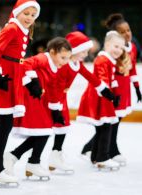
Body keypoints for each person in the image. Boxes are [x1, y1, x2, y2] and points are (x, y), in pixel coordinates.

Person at [0, 0, 42, 185]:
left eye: (32, 15)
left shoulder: (21, 30)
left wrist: (27, 82)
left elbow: (17, 61)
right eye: (26, 13)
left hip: (11, 78)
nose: (29, 17)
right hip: (5, 80)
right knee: (3, 125)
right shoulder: (13, 28)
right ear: (17, 12)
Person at [46, 31, 115, 174]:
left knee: (62, 127)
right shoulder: (65, 64)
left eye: (87, 51)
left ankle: (55, 155)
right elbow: (55, 83)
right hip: (53, 98)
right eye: (83, 51)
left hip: (61, 98)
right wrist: (55, 105)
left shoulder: (77, 63)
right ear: (74, 50)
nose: (86, 54)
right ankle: (45, 156)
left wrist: (103, 89)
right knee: (48, 128)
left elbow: (90, 76)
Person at [3, 37, 72, 180]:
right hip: (31, 99)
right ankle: (27, 160)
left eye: (67, 58)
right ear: (52, 52)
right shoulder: (43, 58)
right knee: (44, 131)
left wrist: (55, 109)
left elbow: (53, 89)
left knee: (44, 132)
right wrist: (32, 81)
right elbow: (25, 64)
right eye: (63, 57)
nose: (65, 62)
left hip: (40, 101)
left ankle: (20, 157)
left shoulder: (55, 67)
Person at [81, 13, 142, 166]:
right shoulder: (109, 52)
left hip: (122, 89)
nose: (127, 34)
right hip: (110, 90)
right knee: (107, 123)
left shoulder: (131, 47)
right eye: (123, 32)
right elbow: (104, 75)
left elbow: (132, 68)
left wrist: (136, 87)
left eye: (128, 30)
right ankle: (105, 151)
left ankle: (101, 151)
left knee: (114, 122)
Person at [77, 31, 128, 170]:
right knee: (106, 128)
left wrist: (114, 94)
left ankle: (95, 157)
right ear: (106, 45)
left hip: (104, 97)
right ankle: (102, 157)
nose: (118, 50)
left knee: (102, 128)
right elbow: (102, 80)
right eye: (116, 46)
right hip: (100, 97)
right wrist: (110, 95)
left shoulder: (110, 60)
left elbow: (111, 81)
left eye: (121, 48)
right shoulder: (102, 60)